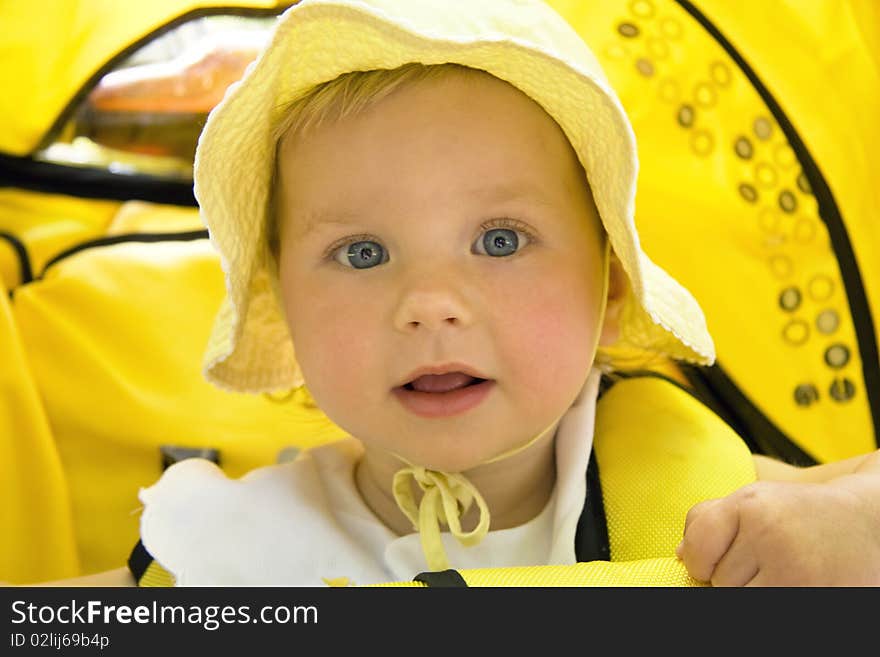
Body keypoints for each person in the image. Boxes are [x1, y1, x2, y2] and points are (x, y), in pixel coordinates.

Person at [48, 0, 880, 587]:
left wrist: (857, 529)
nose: (429, 302)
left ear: (613, 289)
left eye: (501, 240)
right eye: (363, 251)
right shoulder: (233, 550)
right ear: (286, 309)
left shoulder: (705, 499)